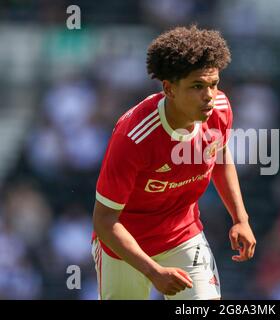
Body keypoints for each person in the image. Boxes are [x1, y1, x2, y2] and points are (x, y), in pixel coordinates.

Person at [91, 25, 256, 300]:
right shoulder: (133, 137)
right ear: (169, 89)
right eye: (197, 86)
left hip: (183, 238)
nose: (209, 96)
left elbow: (220, 158)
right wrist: (153, 271)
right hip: (125, 249)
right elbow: (104, 221)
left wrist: (241, 218)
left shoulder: (220, 110)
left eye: (214, 84)